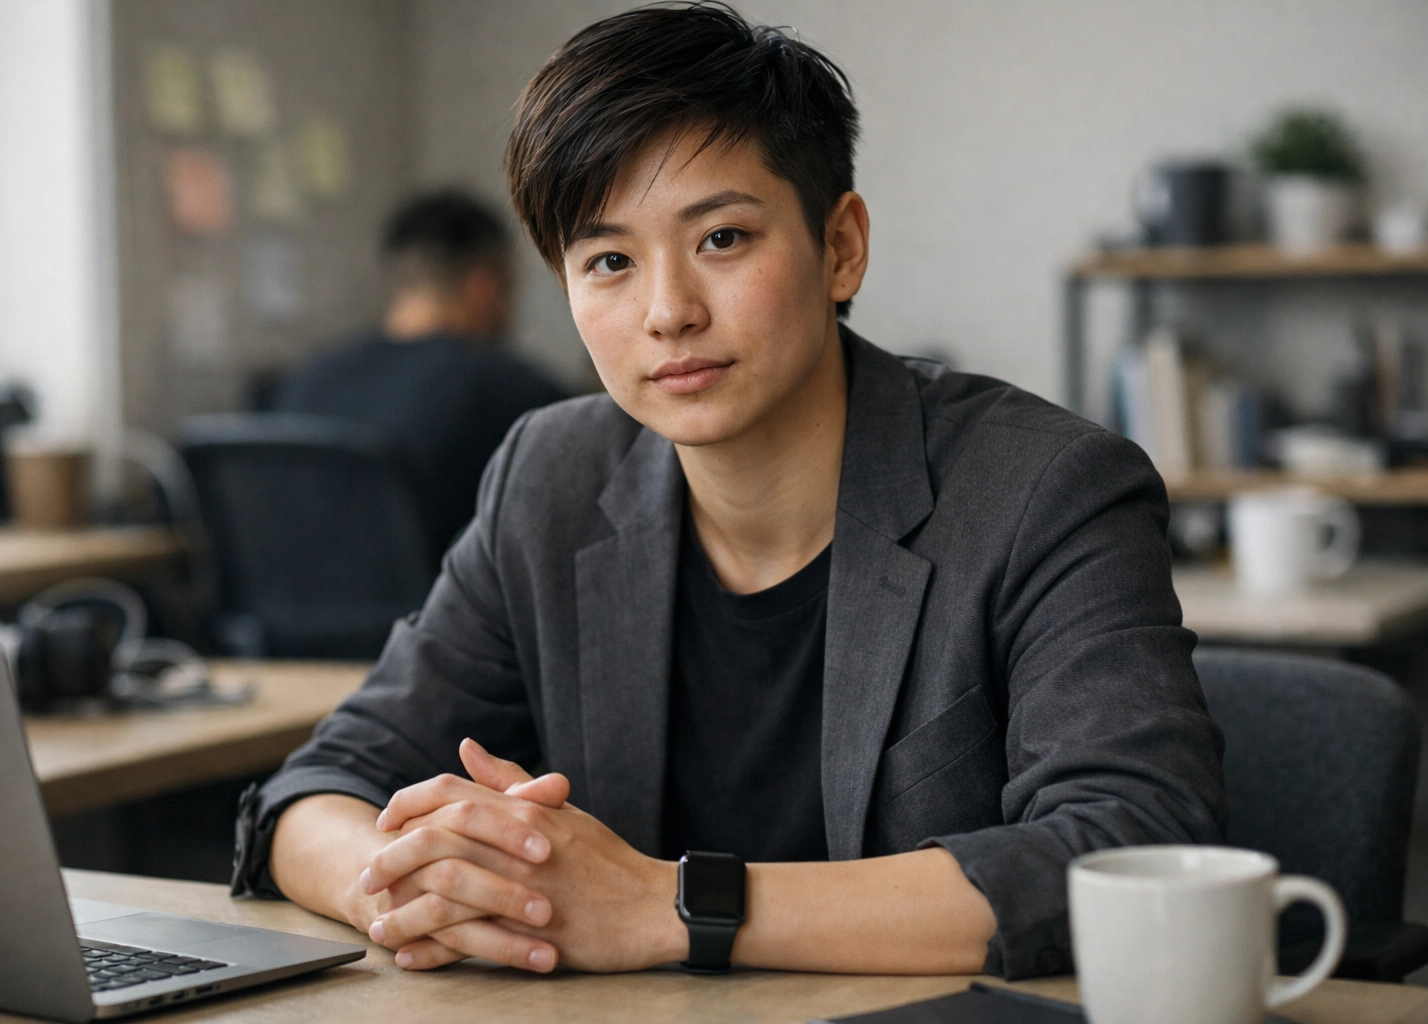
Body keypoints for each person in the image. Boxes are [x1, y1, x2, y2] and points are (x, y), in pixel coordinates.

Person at [233, 2, 1224, 980]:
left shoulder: (1042, 486)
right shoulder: (552, 477)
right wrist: (407, 880)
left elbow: (1127, 846)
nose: (667, 312)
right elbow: (319, 786)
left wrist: (667, 904)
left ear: (841, 247)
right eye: (610, 260)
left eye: (723, 240)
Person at [272, 190, 570, 561]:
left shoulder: (309, 377)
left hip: (284, 614)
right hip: (438, 614)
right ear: (485, 287)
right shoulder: (507, 387)